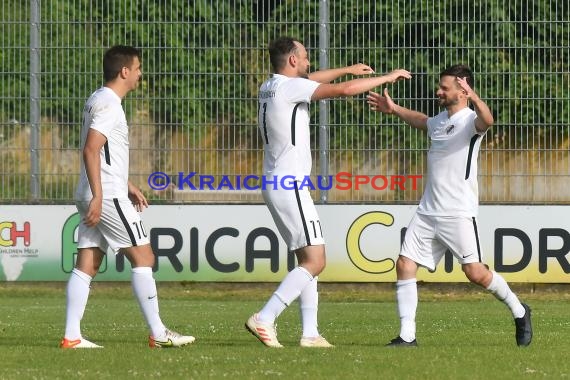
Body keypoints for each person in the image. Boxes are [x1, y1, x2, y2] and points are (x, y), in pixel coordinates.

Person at [245, 36, 411, 348]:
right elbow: (343, 91)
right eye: (305, 58)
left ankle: (310, 334)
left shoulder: (271, 85)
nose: (308, 64)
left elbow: (311, 81)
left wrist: (348, 68)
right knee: (317, 260)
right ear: (293, 60)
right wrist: (387, 77)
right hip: (289, 184)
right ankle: (265, 318)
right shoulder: (292, 88)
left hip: (276, 182)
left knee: (306, 259)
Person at [367, 64, 533, 347]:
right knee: (405, 264)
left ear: (463, 90)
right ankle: (408, 336)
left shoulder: (471, 121)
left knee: (476, 273)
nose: (438, 91)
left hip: (458, 213)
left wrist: (476, 97)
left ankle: (520, 311)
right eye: (440, 87)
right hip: (428, 210)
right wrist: (394, 109)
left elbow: (488, 121)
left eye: (445, 88)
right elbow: (422, 121)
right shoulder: (441, 120)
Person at [60, 45, 195, 349]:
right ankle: (159, 333)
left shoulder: (97, 97)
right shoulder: (110, 103)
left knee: (88, 264)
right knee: (144, 256)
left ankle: (72, 336)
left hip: (96, 191)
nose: (140, 74)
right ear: (124, 71)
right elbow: (91, 149)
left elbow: (102, 153)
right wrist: (100, 194)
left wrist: (127, 183)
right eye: (138, 68)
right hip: (105, 196)